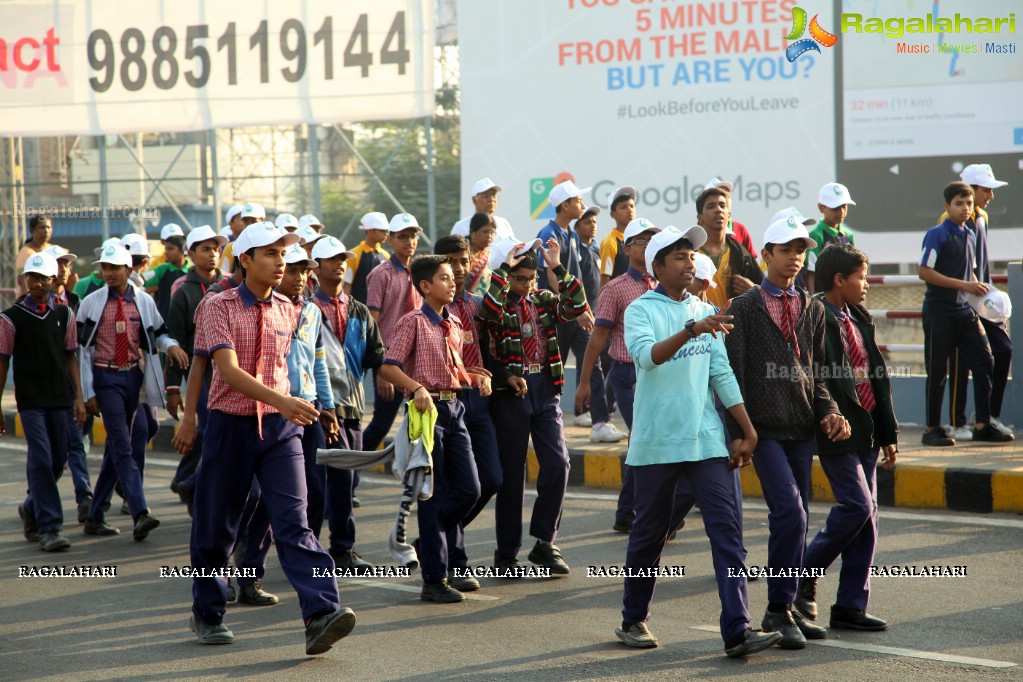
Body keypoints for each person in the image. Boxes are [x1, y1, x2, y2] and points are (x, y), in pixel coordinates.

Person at [188, 222, 356, 652]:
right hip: (230, 427)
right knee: (216, 529)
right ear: (245, 260)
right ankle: (207, 613)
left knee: (295, 523)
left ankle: (321, 612)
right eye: (271, 254)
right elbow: (224, 370)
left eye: (284, 254)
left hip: (280, 432)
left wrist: (299, 404)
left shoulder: (290, 307)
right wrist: (191, 416)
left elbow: (292, 365)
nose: (281, 262)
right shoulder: (217, 305)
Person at [613, 225, 780, 657]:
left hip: (706, 441)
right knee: (649, 534)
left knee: (727, 532)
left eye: (692, 255)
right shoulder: (641, 310)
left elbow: (720, 373)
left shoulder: (705, 309)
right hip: (656, 443)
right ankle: (633, 619)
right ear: (658, 266)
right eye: (680, 256)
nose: (690, 262)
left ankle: (738, 631)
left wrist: (746, 427)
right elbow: (647, 358)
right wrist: (691, 330)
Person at [725, 215, 849, 649]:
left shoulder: (812, 308)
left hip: (801, 427)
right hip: (762, 430)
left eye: (800, 250)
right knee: (790, 512)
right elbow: (731, 375)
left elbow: (815, 374)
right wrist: (739, 432)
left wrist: (830, 411)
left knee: (798, 519)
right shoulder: (744, 307)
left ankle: (787, 605)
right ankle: (778, 609)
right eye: (785, 250)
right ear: (765, 255)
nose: (795, 258)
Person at [795, 243, 898, 633]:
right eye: (861, 277)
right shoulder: (816, 315)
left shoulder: (858, 315)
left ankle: (850, 606)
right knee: (856, 506)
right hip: (837, 427)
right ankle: (802, 574)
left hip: (868, 426)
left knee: (868, 517)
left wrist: (888, 432)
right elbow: (810, 372)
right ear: (839, 280)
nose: (867, 284)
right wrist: (829, 414)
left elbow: (876, 376)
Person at [377, 254, 489, 602]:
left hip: (455, 408)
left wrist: (474, 377)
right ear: (425, 286)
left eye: (452, 277)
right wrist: (417, 387)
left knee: (470, 489)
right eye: (443, 277)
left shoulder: (452, 322)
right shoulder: (413, 322)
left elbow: (453, 372)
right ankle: (434, 580)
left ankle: (428, 540)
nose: (452, 281)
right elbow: (388, 367)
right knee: (433, 493)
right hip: (425, 414)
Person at [480, 238, 589, 575]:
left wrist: (556, 265)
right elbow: (487, 313)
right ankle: (507, 553)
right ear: (507, 277)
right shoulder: (498, 304)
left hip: (546, 388)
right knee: (512, 476)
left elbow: (576, 304)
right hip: (512, 392)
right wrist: (502, 271)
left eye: (530, 278)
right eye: (519, 277)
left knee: (558, 464)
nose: (526, 284)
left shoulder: (543, 300)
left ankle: (545, 542)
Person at [78, 243, 188, 539]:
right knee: (123, 444)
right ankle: (140, 511)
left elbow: (159, 333)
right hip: (105, 377)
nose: (109, 273)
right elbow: (81, 351)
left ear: (129, 269)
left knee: (116, 448)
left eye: (115, 268)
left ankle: (95, 513)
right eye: (105, 267)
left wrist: (172, 346)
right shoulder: (91, 303)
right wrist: (86, 391)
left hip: (132, 378)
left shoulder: (143, 301)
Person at [577, 219, 681, 531]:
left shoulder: (662, 286)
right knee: (648, 439)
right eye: (641, 240)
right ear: (627, 248)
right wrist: (584, 382)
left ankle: (627, 512)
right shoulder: (616, 288)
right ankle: (652, 515)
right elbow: (597, 337)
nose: (648, 244)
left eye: (653, 239)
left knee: (644, 441)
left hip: (659, 373)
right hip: (627, 376)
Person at [1, 252, 86, 552]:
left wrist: (78, 397)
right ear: (25, 279)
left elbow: (70, 357)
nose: (36, 283)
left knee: (58, 459)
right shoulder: (10, 318)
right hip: (31, 401)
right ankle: (50, 527)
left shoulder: (65, 315)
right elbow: (2, 363)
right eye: (31, 278)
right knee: (41, 458)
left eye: (42, 278)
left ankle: (30, 507)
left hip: (60, 398)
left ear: (53, 280)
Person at [311, 236, 385, 570]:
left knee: (346, 480)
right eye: (331, 258)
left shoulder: (357, 310)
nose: (339, 263)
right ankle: (312, 548)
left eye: (342, 258)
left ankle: (340, 548)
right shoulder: (305, 310)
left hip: (352, 406)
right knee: (316, 484)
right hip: (316, 408)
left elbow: (376, 353)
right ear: (316, 266)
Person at [434, 234, 504, 589]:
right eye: (451, 262)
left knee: (490, 480)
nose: (459, 269)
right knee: (455, 486)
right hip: (445, 402)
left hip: (479, 402)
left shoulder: (477, 305)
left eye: (464, 261)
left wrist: (506, 377)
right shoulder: (429, 310)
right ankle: (454, 564)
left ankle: (435, 535)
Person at [918, 182, 1010, 445]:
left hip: (965, 312)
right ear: (947, 207)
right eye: (959, 204)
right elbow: (925, 271)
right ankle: (931, 429)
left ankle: (983, 423)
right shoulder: (937, 234)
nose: (964, 208)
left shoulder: (969, 234)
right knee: (938, 372)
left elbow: (967, 271)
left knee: (985, 361)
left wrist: (981, 291)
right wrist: (964, 285)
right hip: (939, 312)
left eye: (968, 204)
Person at [944, 164, 1013, 440]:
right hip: (959, 301)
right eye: (986, 190)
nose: (991, 196)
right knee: (959, 363)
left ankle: (988, 417)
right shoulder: (947, 221)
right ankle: (958, 423)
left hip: (982, 299)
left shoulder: (982, 216)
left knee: (1002, 350)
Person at [166, 226, 228, 494]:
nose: (213, 254)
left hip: (226, 372)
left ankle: (186, 480)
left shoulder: (230, 287)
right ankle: (193, 484)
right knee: (210, 428)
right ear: (191, 254)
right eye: (205, 249)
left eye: (216, 249)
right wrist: (172, 388)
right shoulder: (183, 292)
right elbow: (175, 341)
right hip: (198, 373)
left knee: (213, 432)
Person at [362, 213, 424, 453]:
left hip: (417, 357)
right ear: (390, 240)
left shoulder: (419, 272)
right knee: (381, 424)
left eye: (413, 236)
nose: (409, 242)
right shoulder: (381, 274)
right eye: (403, 237)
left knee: (418, 425)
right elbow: (373, 323)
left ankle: (415, 483)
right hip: (390, 357)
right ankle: (348, 477)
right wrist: (381, 371)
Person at [44, 245, 94, 522]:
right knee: (53, 453)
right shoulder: (35, 305)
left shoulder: (78, 302)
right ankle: (34, 500)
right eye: (57, 264)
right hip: (46, 391)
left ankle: (84, 498)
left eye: (66, 264)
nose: (62, 270)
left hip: (74, 386)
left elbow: (85, 348)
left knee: (75, 444)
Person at [572, 205, 624, 441]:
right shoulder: (574, 248)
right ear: (576, 227)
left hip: (591, 316)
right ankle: (582, 411)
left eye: (594, 222)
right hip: (574, 316)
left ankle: (599, 419)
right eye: (587, 222)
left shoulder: (594, 249)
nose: (593, 225)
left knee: (594, 364)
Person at [695, 187, 763, 308]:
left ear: (729, 215)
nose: (718, 210)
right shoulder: (690, 253)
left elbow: (766, 291)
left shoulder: (741, 253)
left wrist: (753, 290)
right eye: (711, 206)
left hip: (733, 324)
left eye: (722, 205)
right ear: (700, 218)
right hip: (698, 324)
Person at [805, 183, 857, 294]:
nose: (841, 212)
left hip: (845, 298)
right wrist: (813, 301)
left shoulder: (849, 235)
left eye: (844, 206)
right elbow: (811, 273)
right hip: (823, 300)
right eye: (835, 208)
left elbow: (853, 270)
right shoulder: (816, 235)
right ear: (821, 207)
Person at [451, 177, 516, 242]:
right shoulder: (461, 227)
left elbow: (513, 247)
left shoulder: (503, 223)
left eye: (493, 195)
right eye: (486, 196)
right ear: (474, 200)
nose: (491, 199)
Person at [344, 212, 390, 304]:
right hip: (359, 310)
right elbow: (347, 284)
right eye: (382, 230)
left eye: (386, 231)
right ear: (370, 231)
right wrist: (347, 307)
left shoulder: (386, 255)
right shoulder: (354, 254)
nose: (386, 234)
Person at [704, 178, 757, 256]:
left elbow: (751, 263)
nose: (725, 200)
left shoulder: (740, 229)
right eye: (720, 196)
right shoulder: (700, 234)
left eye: (727, 196)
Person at [145, 231, 189, 320]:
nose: (166, 252)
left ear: (181, 251)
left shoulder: (191, 272)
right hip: (163, 322)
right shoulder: (161, 269)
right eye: (166, 249)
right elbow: (141, 280)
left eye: (170, 249)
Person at [598, 186, 637, 286]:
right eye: (623, 207)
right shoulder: (610, 242)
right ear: (612, 214)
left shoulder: (639, 239)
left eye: (632, 206)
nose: (629, 210)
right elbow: (605, 279)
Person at [16, 215, 55, 295]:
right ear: (32, 230)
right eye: (42, 227)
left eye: (48, 227)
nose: (46, 230)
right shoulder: (26, 252)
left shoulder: (54, 250)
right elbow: (22, 279)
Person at [464, 212, 497, 296]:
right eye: (485, 231)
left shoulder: (488, 253)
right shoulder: (463, 253)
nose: (489, 236)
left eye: (492, 232)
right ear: (472, 232)